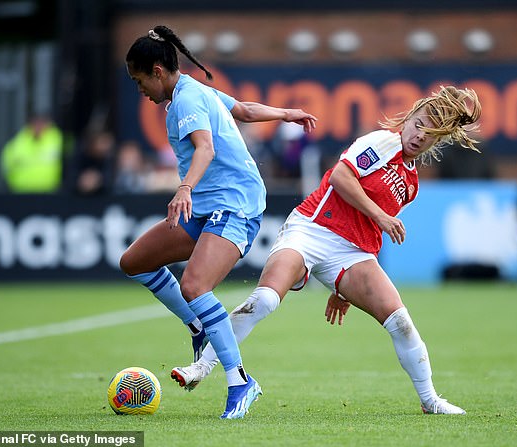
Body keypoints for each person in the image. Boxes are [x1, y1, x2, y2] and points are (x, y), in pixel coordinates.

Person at [171, 85, 482, 415]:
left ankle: (430, 400)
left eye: (430, 134)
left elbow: (370, 230)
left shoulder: (411, 184)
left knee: (401, 321)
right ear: (407, 120)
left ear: (437, 142)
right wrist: (380, 214)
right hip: (310, 230)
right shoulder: (383, 142)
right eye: (418, 124)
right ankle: (202, 367)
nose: (420, 135)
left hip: (350, 253)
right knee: (265, 300)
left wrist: (343, 289)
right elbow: (340, 178)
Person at [119, 25, 317, 419]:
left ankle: (240, 382)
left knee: (193, 285)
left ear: (157, 71)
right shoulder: (194, 90)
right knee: (134, 262)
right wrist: (284, 113)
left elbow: (205, 148)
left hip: (235, 204)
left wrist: (184, 188)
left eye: (139, 80)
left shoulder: (188, 98)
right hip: (209, 205)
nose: (139, 89)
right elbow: (242, 110)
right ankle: (197, 327)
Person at [0, 114, 64, 193]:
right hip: (21, 191)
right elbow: (6, 165)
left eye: (41, 123)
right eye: (35, 123)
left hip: (49, 191)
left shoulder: (57, 139)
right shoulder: (19, 141)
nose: (38, 127)